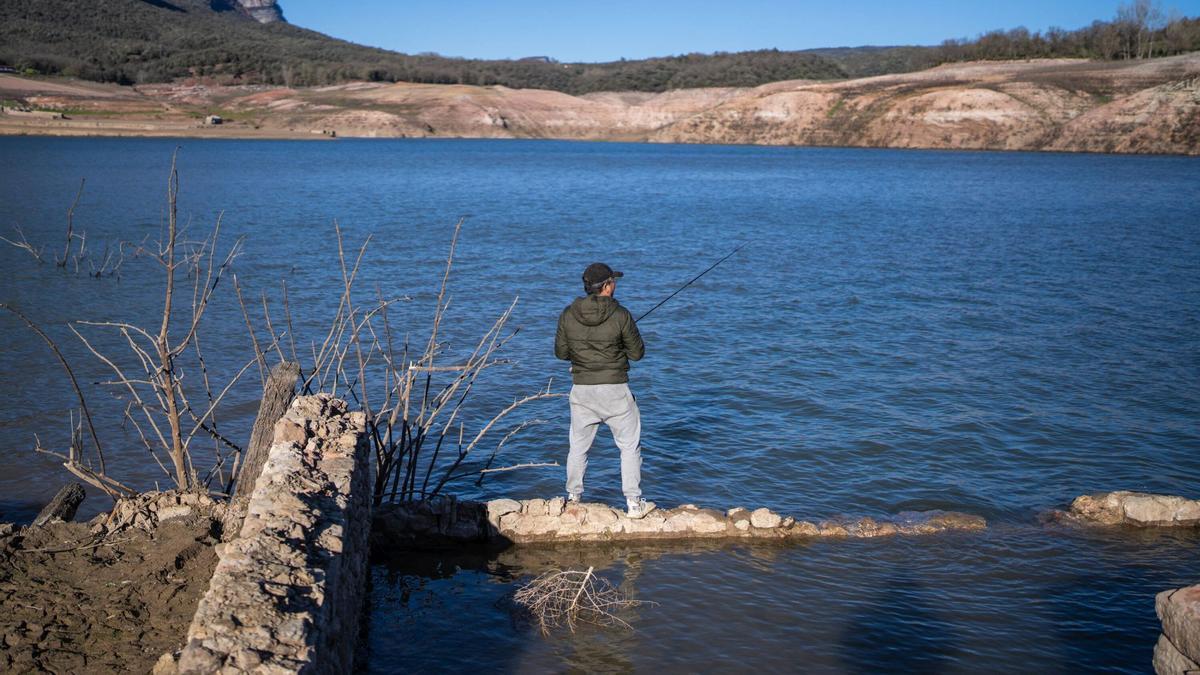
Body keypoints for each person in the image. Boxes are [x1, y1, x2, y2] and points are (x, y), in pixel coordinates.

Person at [554, 262, 655, 519]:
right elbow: (638, 353)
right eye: (614, 281)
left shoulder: (568, 314)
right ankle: (633, 504)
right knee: (629, 446)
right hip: (615, 390)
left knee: (578, 447)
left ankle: (573, 498)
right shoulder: (621, 315)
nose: (615, 284)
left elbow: (561, 353)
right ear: (607, 286)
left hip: (582, 390)